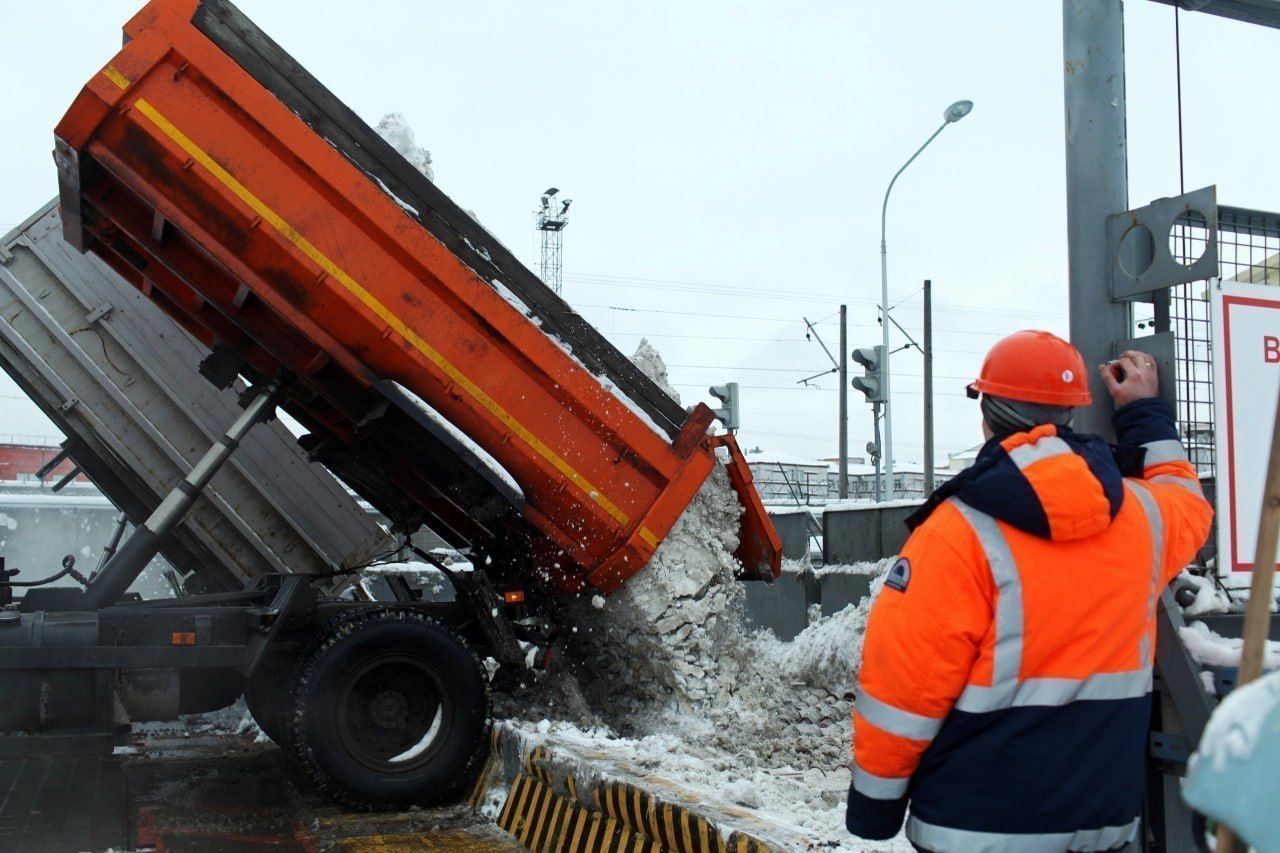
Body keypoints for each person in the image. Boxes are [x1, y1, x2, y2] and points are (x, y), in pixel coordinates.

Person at [845, 330, 1213, 852]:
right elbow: (1188, 503)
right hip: (1100, 825)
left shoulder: (956, 532)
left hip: (971, 830)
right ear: (1073, 414)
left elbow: (904, 683)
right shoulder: (1143, 518)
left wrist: (875, 807)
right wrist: (1146, 414)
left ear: (987, 412)